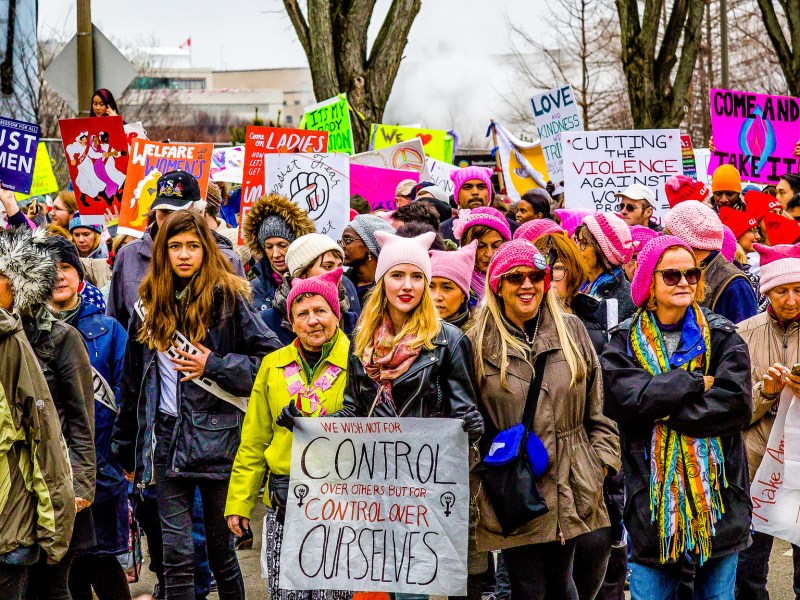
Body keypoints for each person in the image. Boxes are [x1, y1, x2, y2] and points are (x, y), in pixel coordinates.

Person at [112, 211, 280, 600]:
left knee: (222, 551)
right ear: (162, 253)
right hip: (165, 437)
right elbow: (132, 384)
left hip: (218, 437)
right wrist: (126, 450)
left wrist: (215, 365)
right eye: (175, 247)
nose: (184, 255)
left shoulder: (230, 298)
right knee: (176, 553)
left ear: (205, 249)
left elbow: (271, 361)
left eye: (192, 246)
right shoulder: (148, 305)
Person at [601, 235, 752, 599]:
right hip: (650, 506)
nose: (684, 282)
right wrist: (694, 382)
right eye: (671, 275)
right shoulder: (622, 341)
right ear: (649, 281)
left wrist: (658, 404)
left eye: (692, 274)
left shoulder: (722, 336)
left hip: (718, 502)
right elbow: (624, 400)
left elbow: (735, 406)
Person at [468, 238, 619, 599]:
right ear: (497, 285)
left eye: (536, 276)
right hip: (515, 485)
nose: (527, 285)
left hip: (574, 478)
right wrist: (482, 482)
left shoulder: (572, 331)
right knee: (528, 588)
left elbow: (600, 409)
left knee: (568, 587)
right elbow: (470, 422)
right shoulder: (476, 342)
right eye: (515, 277)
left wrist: (600, 464)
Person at [225, 269, 352, 600]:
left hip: (341, 507)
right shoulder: (273, 365)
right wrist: (239, 502)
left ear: (335, 315)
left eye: (320, 311)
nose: (312, 321)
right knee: (286, 594)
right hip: (285, 502)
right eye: (302, 314)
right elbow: (253, 440)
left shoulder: (359, 361)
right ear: (291, 323)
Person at [5, 230, 97, 600]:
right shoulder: (4, 338)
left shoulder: (62, 339)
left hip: (58, 483)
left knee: (53, 587)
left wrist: (80, 487)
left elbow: (81, 419)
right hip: (14, 488)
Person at [43, 237, 130, 600]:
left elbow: (128, 399)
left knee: (102, 561)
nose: (59, 276)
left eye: (66, 267)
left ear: (79, 275)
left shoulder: (110, 331)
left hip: (101, 468)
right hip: (50, 473)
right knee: (66, 567)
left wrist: (120, 456)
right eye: (50, 270)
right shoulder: (26, 334)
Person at [331, 230, 482, 425]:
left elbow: (461, 413)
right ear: (382, 281)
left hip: (427, 454)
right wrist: (305, 423)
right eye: (397, 275)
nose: (408, 286)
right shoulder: (362, 338)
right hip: (375, 453)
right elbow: (354, 410)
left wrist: (471, 424)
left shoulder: (450, 341)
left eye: (417, 276)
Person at [736, 243, 800, 599]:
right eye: (781, 291)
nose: (790, 300)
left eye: (798, 290)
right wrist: (768, 390)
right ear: (767, 292)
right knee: (748, 571)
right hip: (756, 467)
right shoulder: (742, 333)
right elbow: (730, 409)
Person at [108, 170, 245, 331]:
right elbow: (115, 325)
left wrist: (213, 358)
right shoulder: (129, 255)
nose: (169, 220)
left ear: (199, 211)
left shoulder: (226, 259)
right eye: (164, 212)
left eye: (177, 212)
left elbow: (243, 332)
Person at [664, 200, 758, 323]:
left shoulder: (734, 284)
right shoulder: (686, 272)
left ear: (686, 239)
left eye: (668, 235)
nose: (664, 240)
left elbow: (744, 337)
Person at [260, 233, 360, 345]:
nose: (338, 274)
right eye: (328, 266)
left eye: (339, 267)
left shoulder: (350, 319)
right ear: (301, 272)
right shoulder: (267, 322)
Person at [243, 193, 316, 311]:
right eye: (269, 247)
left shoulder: (316, 280)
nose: (276, 254)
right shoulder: (253, 288)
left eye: (282, 245)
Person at [572, 212, 636, 328]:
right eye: (577, 241)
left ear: (603, 251)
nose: (576, 249)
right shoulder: (577, 288)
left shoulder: (627, 299)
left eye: (584, 244)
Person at [452, 207, 511, 305]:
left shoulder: (515, 278)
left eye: (496, 246)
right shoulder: (457, 280)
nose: (489, 254)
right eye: (480, 246)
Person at [441, 166, 519, 242]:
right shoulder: (442, 232)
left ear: (489, 194)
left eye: (481, 187)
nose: (475, 192)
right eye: (467, 187)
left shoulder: (514, 230)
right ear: (457, 195)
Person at [340, 213, 396, 306]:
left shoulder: (388, 287)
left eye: (348, 240)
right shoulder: (343, 282)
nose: (342, 245)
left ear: (370, 245)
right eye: (341, 241)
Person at [429, 241, 478, 329]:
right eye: (430, 287)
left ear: (464, 295)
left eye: (447, 288)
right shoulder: (408, 330)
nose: (436, 297)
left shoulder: (478, 336)